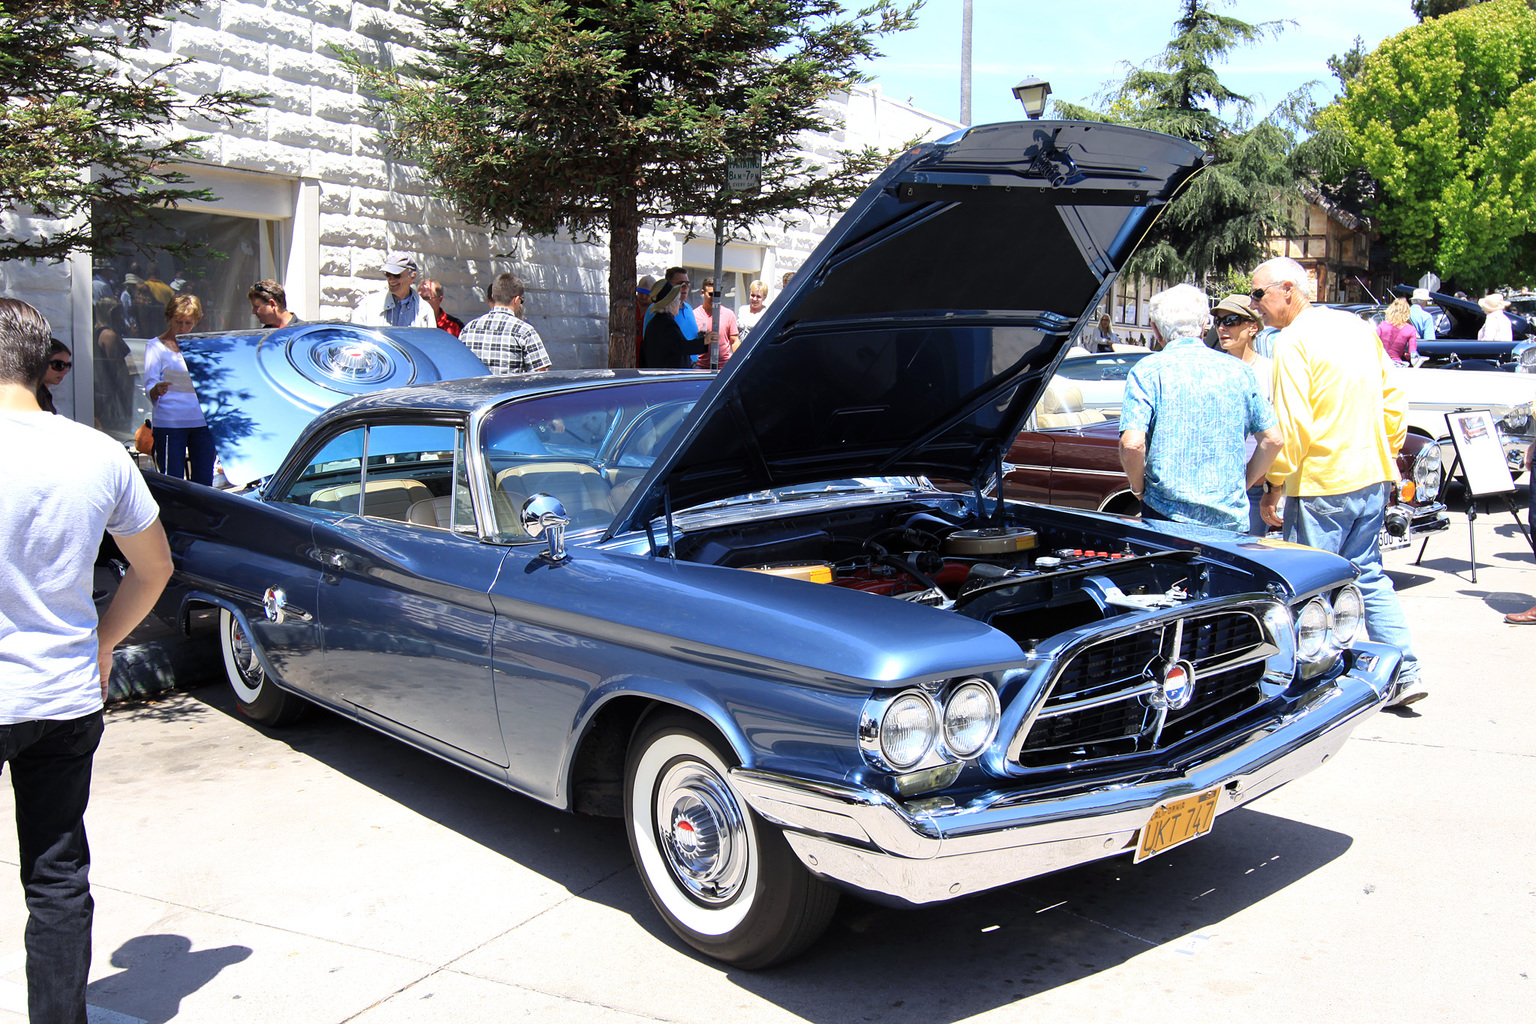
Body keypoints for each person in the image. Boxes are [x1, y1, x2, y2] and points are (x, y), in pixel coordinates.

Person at [0, 296, 174, 1024]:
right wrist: (103, 643)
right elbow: (154, 568)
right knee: (58, 876)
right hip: (64, 693)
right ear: (45, 367)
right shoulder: (99, 452)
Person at [1250, 256, 1426, 707]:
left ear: (1287, 290)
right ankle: (1404, 670)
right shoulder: (1355, 327)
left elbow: (1293, 422)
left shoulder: (1292, 341)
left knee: (1310, 587)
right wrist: (1385, 454)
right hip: (1368, 474)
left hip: (1322, 482)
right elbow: (1393, 398)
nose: (1256, 307)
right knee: (1367, 575)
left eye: (1258, 295)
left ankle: (1312, 683)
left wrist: (1276, 483)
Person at [1117, 284, 1280, 534]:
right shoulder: (1239, 371)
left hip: (1166, 514)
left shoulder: (1147, 370)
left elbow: (1132, 444)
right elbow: (1273, 440)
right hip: (1227, 517)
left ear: (1155, 329)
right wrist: (1242, 484)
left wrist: (1138, 489)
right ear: (1204, 325)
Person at [1212, 294, 1274, 536]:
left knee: (1254, 555)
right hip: (1218, 482)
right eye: (1218, 321)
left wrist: (1264, 480)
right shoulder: (1213, 369)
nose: (1222, 327)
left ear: (1252, 327)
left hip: (1257, 483)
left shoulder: (1270, 370)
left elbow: (1280, 433)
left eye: (1231, 320)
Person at [144, 294, 215, 485]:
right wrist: (156, 389)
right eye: (178, 322)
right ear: (169, 318)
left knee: (204, 480)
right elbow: (149, 383)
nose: (182, 328)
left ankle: (201, 514)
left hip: (200, 420)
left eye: (188, 323)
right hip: (170, 421)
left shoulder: (200, 345)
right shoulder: (156, 346)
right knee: (171, 479)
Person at [459, 273, 550, 375]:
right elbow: (540, 373)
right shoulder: (524, 331)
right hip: (512, 390)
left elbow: (460, 366)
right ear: (516, 300)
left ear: (493, 296)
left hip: (476, 390)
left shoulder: (469, 328)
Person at [354, 252, 436, 328]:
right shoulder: (369, 305)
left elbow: (430, 342)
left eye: (396, 275)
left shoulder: (424, 310)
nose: (391, 280)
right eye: (388, 274)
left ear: (412, 277)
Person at [640, 279, 707, 369]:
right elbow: (681, 346)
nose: (679, 303)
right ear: (671, 303)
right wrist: (705, 341)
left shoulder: (657, 322)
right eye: (678, 300)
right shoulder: (666, 324)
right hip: (668, 376)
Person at [642, 267, 700, 347]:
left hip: (692, 359)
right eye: (681, 283)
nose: (685, 287)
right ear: (668, 285)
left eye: (687, 283)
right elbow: (650, 342)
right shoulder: (658, 310)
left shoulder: (689, 308)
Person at [693, 277, 740, 367]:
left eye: (717, 294)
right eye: (711, 294)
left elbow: (734, 341)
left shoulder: (729, 314)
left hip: (724, 366)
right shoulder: (695, 315)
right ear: (703, 293)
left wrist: (738, 361)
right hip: (701, 366)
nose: (714, 297)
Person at [1375, 297, 1420, 365]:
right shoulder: (1410, 329)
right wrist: (1406, 354)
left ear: (1391, 310)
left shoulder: (1383, 325)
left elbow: (1373, 342)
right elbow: (1412, 353)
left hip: (1379, 362)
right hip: (1396, 364)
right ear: (1407, 312)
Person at [35, 340, 71, 415]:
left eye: (68, 365)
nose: (65, 371)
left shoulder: (42, 393)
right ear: (41, 363)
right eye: (58, 365)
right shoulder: (34, 395)